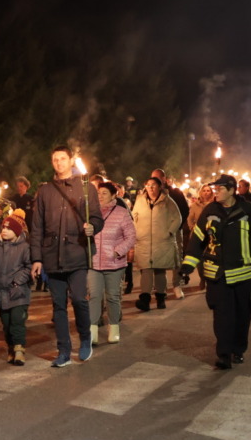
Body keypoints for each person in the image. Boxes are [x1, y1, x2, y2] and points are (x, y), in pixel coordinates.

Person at [180, 174, 251, 370]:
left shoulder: (247, 209)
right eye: (214, 189)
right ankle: (223, 354)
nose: (215, 192)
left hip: (242, 274)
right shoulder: (209, 211)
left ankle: (238, 349)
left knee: (242, 315)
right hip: (217, 274)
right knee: (222, 316)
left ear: (232, 190)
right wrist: (188, 266)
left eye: (220, 189)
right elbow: (197, 239)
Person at [30, 145, 104, 367]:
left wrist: (92, 227)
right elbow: (36, 227)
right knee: (58, 306)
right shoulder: (45, 191)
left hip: (78, 253)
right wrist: (37, 258)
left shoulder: (86, 188)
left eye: (63, 158)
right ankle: (63, 350)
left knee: (80, 300)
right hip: (52, 256)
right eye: (55, 159)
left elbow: (97, 219)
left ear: (71, 160)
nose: (59, 163)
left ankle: (85, 339)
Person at [89, 181, 136, 345]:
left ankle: (114, 328)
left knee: (113, 296)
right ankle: (92, 331)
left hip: (114, 263)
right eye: (98, 193)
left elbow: (131, 236)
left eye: (104, 193)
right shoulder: (90, 212)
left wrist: (117, 251)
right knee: (94, 296)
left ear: (113, 195)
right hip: (93, 263)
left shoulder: (122, 213)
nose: (100, 196)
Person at [0, 210, 32, 366]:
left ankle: (20, 350)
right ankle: (11, 348)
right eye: (3, 228)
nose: (4, 231)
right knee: (6, 323)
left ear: (17, 231)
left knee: (17, 322)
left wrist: (17, 282)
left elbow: (28, 267)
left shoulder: (24, 247)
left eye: (9, 229)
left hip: (19, 293)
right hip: (1, 292)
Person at [132, 177, 182, 312]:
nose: (150, 188)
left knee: (160, 270)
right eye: (148, 185)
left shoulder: (168, 201)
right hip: (144, 241)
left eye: (153, 185)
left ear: (160, 187)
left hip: (162, 242)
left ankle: (160, 298)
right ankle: (145, 299)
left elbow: (177, 218)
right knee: (146, 270)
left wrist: (169, 233)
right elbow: (134, 216)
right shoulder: (140, 200)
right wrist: (136, 232)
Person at [151, 169, 189, 299]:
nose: (154, 182)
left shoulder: (175, 193)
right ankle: (161, 287)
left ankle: (176, 285)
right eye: (152, 178)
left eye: (157, 178)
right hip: (157, 232)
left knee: (176, 257)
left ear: (164, 179)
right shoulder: (149, 194)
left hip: (175, 231)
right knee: (158, 257)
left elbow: (184, 210)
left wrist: (175, 226)